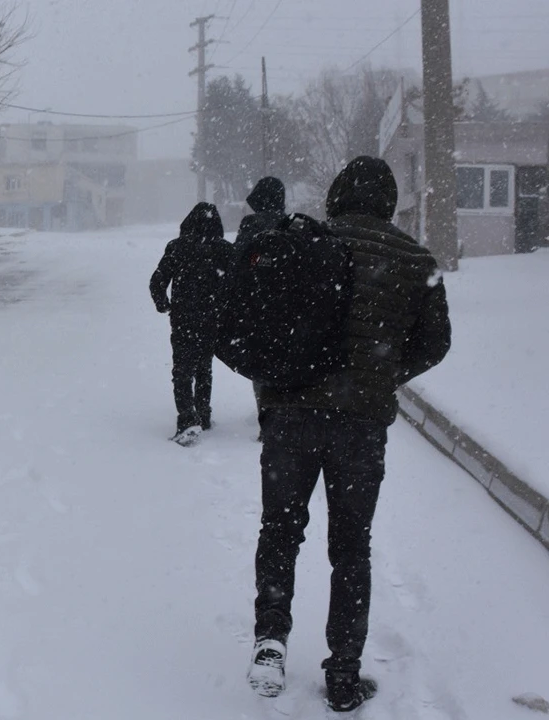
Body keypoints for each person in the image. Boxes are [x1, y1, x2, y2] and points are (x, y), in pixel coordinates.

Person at [247, 157, 451, 712]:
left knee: (280, 528)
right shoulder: (415, 258)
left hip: (290, 413)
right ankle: (343, 673)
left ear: (338, 193)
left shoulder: (308, 240)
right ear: (389, 199)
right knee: (351, 547)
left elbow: (267, 319)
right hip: (360, 426)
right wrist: (381, 373)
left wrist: (277, 384)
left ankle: (270, 637)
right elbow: (436, 343)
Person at [149, 202, 234, 446]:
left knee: (182, 369)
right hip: (211, 318)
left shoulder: (177, 248)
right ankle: (204, 414)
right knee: (204, 367)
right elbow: (235, 284)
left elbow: (157, 282)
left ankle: (187, 418)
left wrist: (163, 304)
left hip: (184, 318)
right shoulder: (224, 250)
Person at [236, 177, 288, 441]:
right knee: (284, 361)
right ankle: (282, 415)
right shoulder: (291, 224)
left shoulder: (250, 225)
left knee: (261, 365)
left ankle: (267, 418)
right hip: (289, 307)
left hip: (256, 306)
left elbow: (238, 262)